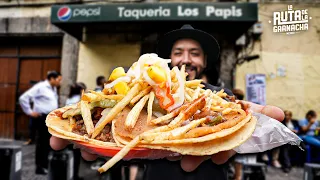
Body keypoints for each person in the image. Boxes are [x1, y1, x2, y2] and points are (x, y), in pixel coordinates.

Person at [49, 25, 284, 180]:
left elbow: (231, 136)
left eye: (194, 53)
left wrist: (233, 139)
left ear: (204, 60)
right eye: (179, 52)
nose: (186, 59)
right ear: (169, 59)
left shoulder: (221, 96)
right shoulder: (140, 92)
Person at [19, 71, 62, 174]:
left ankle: (45, 164)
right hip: (42, 117)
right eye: (58, 80)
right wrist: (29, 112)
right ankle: (39, 167)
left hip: (51, 118)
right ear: (51, 78)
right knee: (42, 143)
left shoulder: (53, 88)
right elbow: (23, 98)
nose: (59, 82)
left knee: (48, 142)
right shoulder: (41, 87)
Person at [65, 82, 86, 180]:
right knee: (76, 156)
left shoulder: (69, 98)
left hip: (68, 130)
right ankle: (74, 176)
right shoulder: (79, 100)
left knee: (71, 154)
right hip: (75, 130)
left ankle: (70, 175)